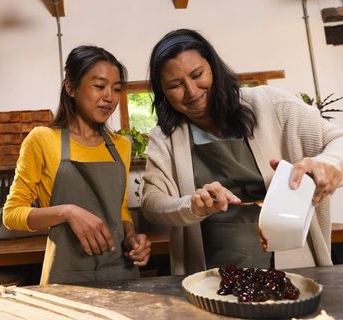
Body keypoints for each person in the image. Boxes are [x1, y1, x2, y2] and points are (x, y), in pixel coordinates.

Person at [141, 28, 343, 276]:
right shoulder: (165, 138)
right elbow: (152, 202)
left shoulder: (271, 104)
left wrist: (328, 162)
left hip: (294, 266)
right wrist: (191, 205)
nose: (192, 91)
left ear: (214, 68)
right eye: (175, 85)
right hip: (211, 276)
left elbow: (338, 140)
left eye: (197, 75)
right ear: (162, 93)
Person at [3, 45, 151, 285]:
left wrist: (132, 237)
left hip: (120, 273)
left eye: (116, 89)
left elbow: (119, 209)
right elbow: (11, 214)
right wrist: (66, 211)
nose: (109, 97)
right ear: (71, 88)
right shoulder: (42, 139)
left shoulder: (120, 145)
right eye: (99, 86)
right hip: (65, 278)